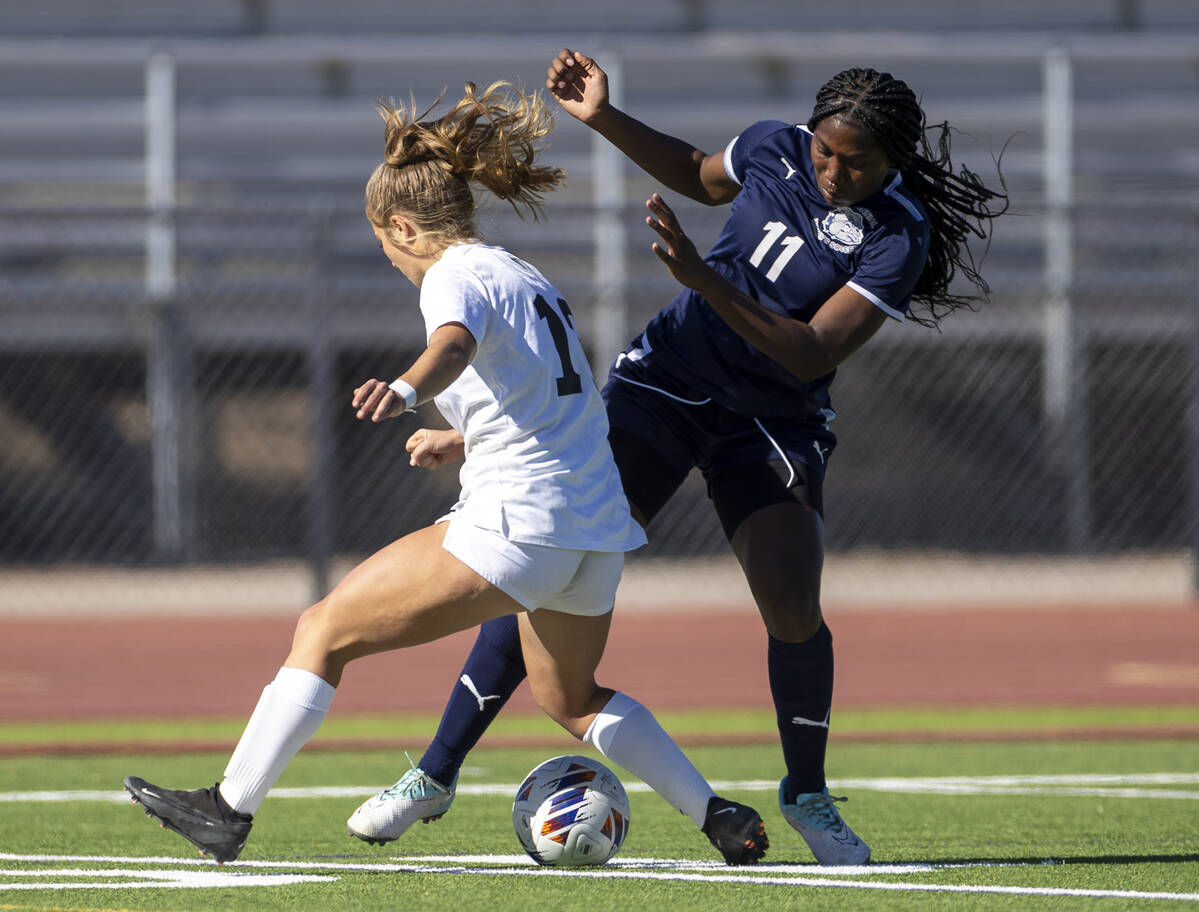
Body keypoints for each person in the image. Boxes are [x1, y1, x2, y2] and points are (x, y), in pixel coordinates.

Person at [347, 50, 1008, 866]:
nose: (833, 169)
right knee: (547, 561)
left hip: (773, 420)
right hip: (667, 383)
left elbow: (809, 352)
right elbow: (700, 174)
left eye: (856, 162)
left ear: (893, 161)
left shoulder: (901, 233)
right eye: (826, 152)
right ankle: (434, 774)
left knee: (794, 606)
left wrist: (702, 276)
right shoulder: (775, 144)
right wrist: (602, 117)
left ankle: (807, 796)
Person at [123, 80, 770, 867]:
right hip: (594, 533)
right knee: (570, 698)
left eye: (386, 245)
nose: (392, 262)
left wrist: (404, 389)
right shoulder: (523, 275)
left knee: (321, 631)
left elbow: (454, 346)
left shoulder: (452, 275)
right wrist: (458, 441)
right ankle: (718, 814)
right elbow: (552, 400)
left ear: (402, 225)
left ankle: (228, 808)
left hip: (517, 524)